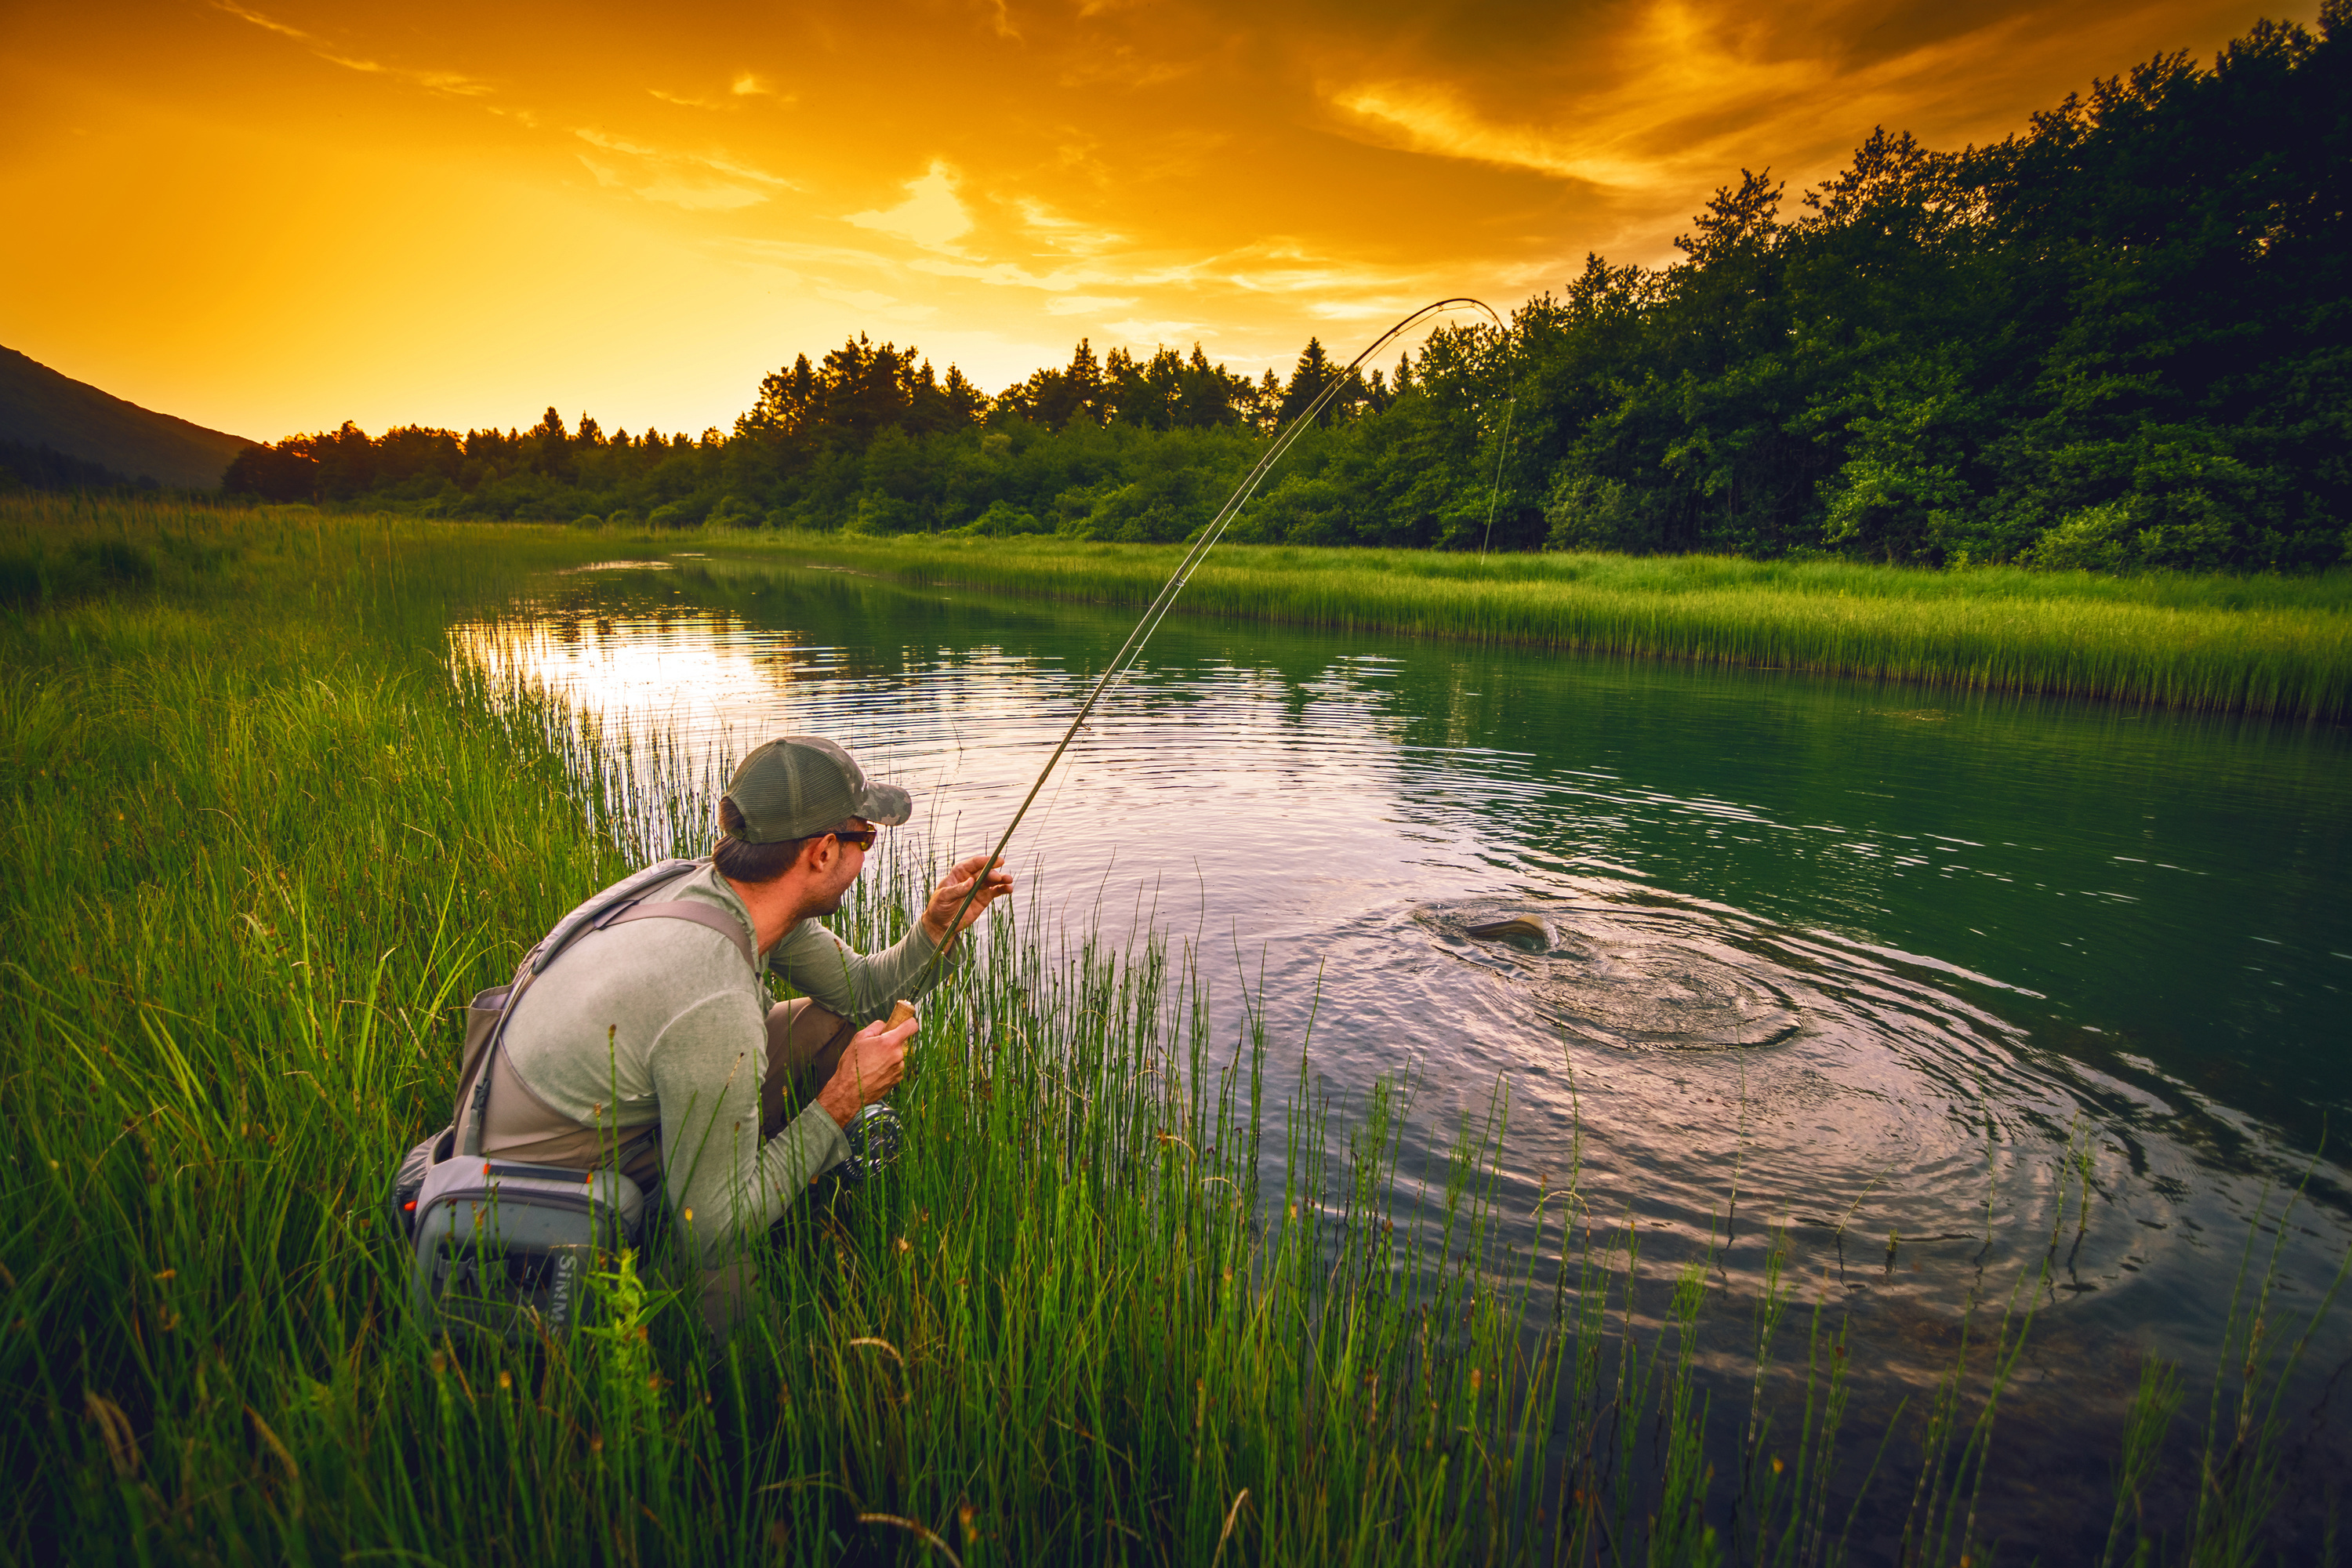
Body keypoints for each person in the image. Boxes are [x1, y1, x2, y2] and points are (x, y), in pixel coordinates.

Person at [455, 735, 1011, 1329]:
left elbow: (861, 994)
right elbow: (713, 1227)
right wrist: (841, 1102)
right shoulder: (713, 994)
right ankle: (720, 1363)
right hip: (552, 1185)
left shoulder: (725, 894)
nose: (866, 854)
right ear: (823, 852)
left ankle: (764, 1173)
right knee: (728, 1265)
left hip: (592, 1112)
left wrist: (935, 928)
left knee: (827, 1022)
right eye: (865, 837)